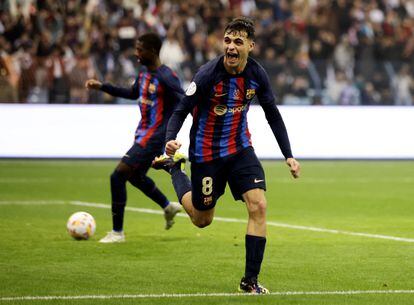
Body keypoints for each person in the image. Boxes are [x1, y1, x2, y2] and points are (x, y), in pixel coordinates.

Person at [152, 17, 301, 294]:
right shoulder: (207, 75)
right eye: (228, 41)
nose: (231, 47)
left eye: (238, 42)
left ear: (250, 46)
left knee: (259, 205)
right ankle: (175, 170)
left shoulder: (258, 75)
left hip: (240, 149)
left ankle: (249, 281)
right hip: (206, 154)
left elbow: (273, 115)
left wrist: (288, 155)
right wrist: (169, 141)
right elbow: (180, 110)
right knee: (201, 219)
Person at [85, 33, 183, 243]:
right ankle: (168, 206)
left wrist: (172, 134)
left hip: (154, 138)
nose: (136, 53)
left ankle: (117, 232)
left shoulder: (167, 77)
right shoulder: (144, 74)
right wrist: (102, 86)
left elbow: (184, 102)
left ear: (153, 51)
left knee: (118, 175)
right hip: (142, 134)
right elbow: (131, 93)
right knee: (135, 176)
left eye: (140, 50)